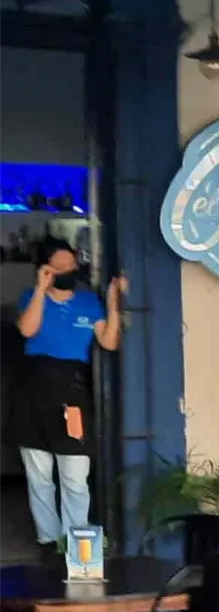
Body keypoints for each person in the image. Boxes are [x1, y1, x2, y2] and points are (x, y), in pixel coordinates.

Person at [11, 240, 124, 560]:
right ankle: (49, 541)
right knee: (39, 476)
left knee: (75, 474)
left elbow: (109, 342)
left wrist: (113, 304)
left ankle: (77, 546)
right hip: (33, 392)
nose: (67, 272)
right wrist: (40, 289)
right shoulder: (30, 298)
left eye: (71, 266)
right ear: (44, 270)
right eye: (59, 267)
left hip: (72, 393)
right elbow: (27, 330)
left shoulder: (88, 302)